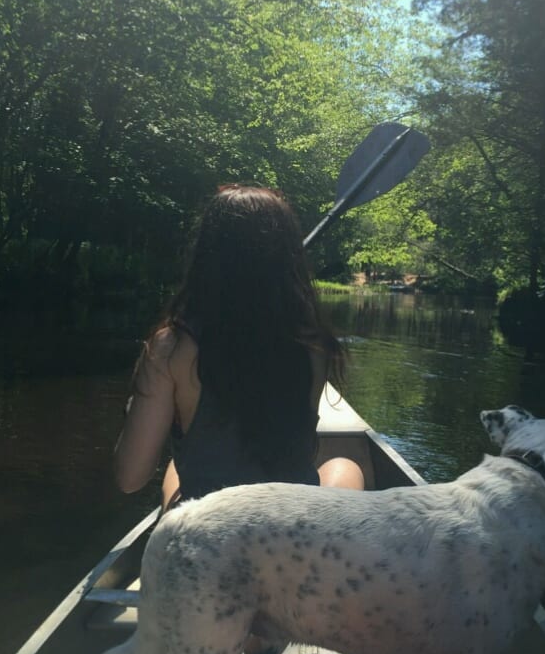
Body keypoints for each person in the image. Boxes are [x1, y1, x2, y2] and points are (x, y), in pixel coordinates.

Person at [115, 181, 363, 516]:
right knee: (347, 468)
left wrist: (137, 406)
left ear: (205, 256)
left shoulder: (172, 347)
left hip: (212, 535)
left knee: (175, 469)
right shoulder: (313, 343)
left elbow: (130, 478)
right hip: (289, 534)